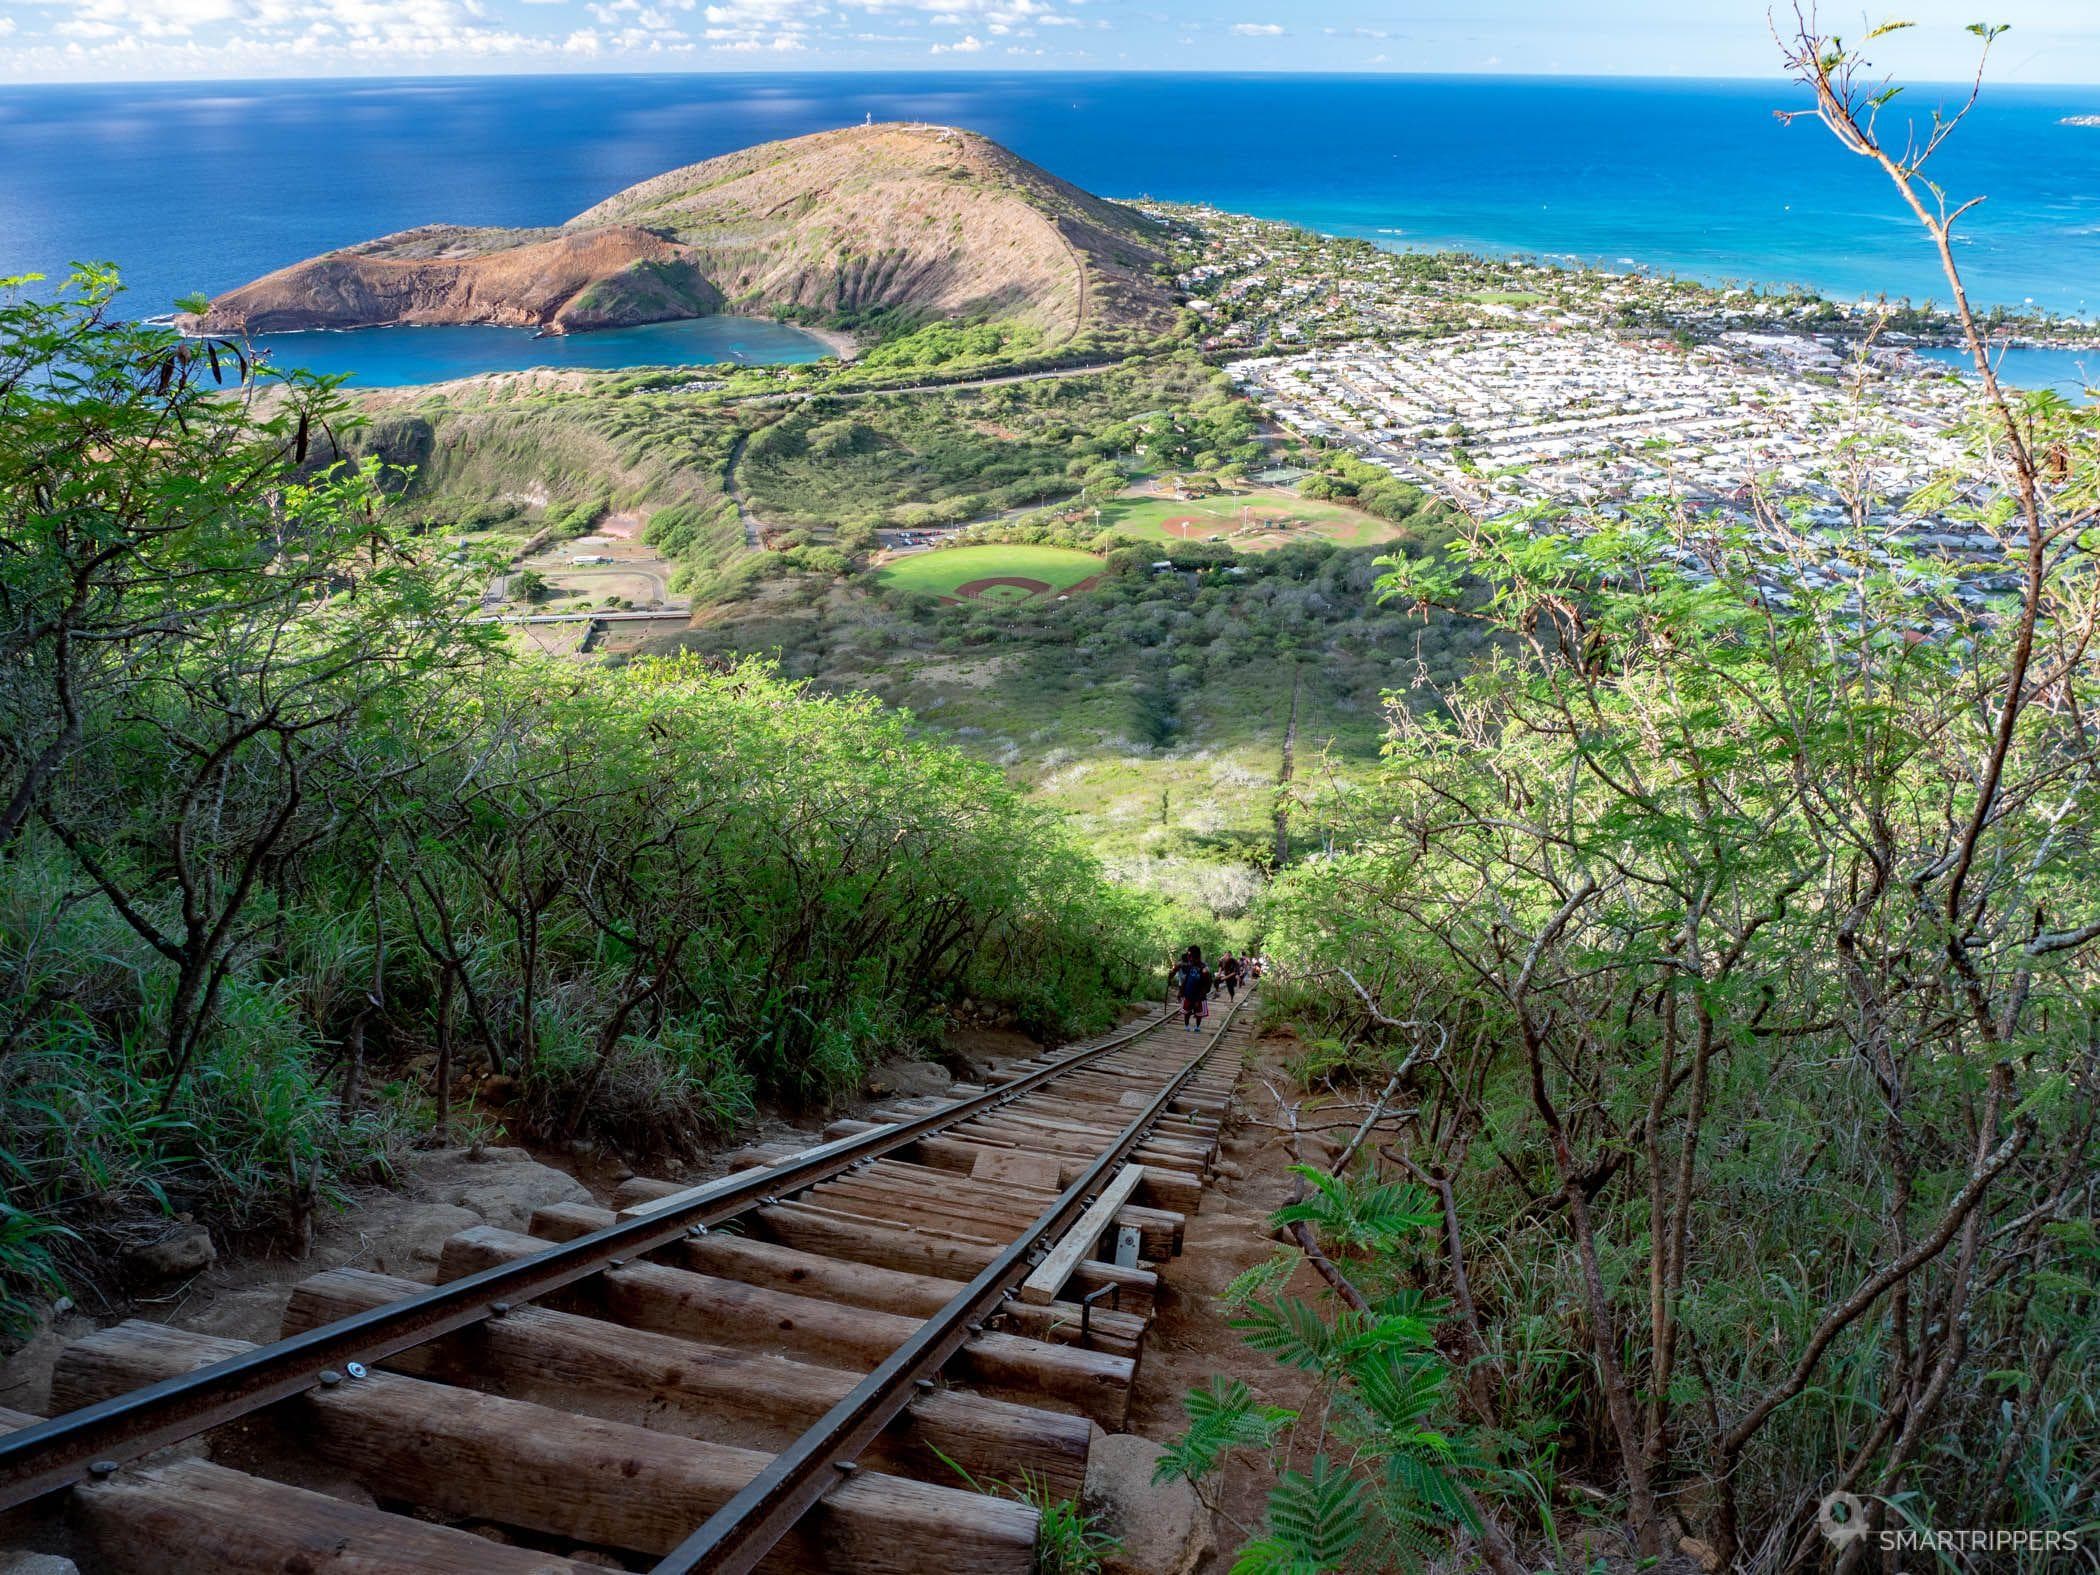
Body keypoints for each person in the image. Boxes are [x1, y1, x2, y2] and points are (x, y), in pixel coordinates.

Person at [1177, 944, 1210, 1031]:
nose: (1189, 958)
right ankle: (1187, 1026)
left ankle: (1197, 1027)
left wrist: (1201, 996)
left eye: (1191, 956)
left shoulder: (1204, 967)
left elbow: (1207, 983)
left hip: (1199, 995)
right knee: (1187, 1011)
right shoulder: (1189, 966)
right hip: (1188, 993)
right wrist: (1181, 991)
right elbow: (1185, 979)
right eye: (1189, 956)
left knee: (1199, 1013)